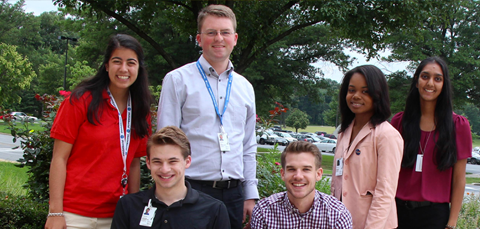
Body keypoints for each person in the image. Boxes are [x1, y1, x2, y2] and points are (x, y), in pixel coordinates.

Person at [156, 4, 257, 228]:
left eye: (225, 32)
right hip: (191, 190)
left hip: (233, 194)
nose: (218, 38)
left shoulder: (245, 87)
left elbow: (248, 145)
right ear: (199, 38)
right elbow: (166, 142)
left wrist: (250, 194)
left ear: (235, 38)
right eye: (211, 32)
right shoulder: (177, 80)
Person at [45, 34, 153, 229]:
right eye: (116, 61)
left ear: (139, 68)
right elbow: (59, 159)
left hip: (117, 214)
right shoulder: (81, 100)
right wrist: (55, 212)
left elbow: (134, 163)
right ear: (106, 66)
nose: (123, 69)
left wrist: (133, 209)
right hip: (74, 214)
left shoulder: (140, 109)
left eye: (131, 63)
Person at [391, 57, 472, 229]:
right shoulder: (399, 123)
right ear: (416, 81)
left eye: (437, 79)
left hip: (435, 217)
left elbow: (459, 179)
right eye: (425, 76)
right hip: (397, 213)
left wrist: (452, 223)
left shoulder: (458, 125)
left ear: (444, 85)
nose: (430, 83)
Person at [111, 126, 230, 229]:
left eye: (172, 161)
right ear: (148, 163)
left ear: (187, 161)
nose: (165, 169)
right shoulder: (128, 206)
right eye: (157, 161)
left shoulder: (214, 210)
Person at [331, 65, 404, 229]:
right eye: (351, 90)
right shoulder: (344, 132)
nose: (356, 96)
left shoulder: (386, 135)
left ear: (378, 94)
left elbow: (385, 193)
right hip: (342, 223)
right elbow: (337, 183)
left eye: (365, 91)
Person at [250, 141, 353, 229]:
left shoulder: (337, 215)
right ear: (283, 174)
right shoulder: (264, 212)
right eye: (291, 169)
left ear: (318, 174)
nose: (298, 176)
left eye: (306, 169)